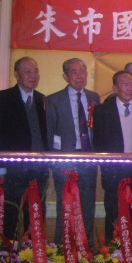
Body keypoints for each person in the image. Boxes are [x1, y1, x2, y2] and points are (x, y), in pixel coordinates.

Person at [0, 57, 49, 239]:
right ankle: (7, 252)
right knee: (10, 213)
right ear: (16, 74)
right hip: (13, 169)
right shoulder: (2, 98)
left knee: (36, 213)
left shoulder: (42, 99)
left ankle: (33, 250)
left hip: (39, 169)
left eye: (35, 71)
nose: (33, 75)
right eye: (27, 72)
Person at [46, 58, 100, 246]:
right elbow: (50, 132)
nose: (79, 76)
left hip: (88, 157)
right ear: (65, 76)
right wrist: (54, 159)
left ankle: (87, 246)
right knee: (65, 204)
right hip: (65, 159)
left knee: (88, 203)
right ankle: (62, 246)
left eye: (82, 71)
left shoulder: (94, 97)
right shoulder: (54, 100)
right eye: (74, 72)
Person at [92, 70, 132, 242]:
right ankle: (112, 248)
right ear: (115, 88)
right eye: (125, 84)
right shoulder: (102, 110)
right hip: (113, 170)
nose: (130, 88)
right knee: (113, 209)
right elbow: (98, 141)